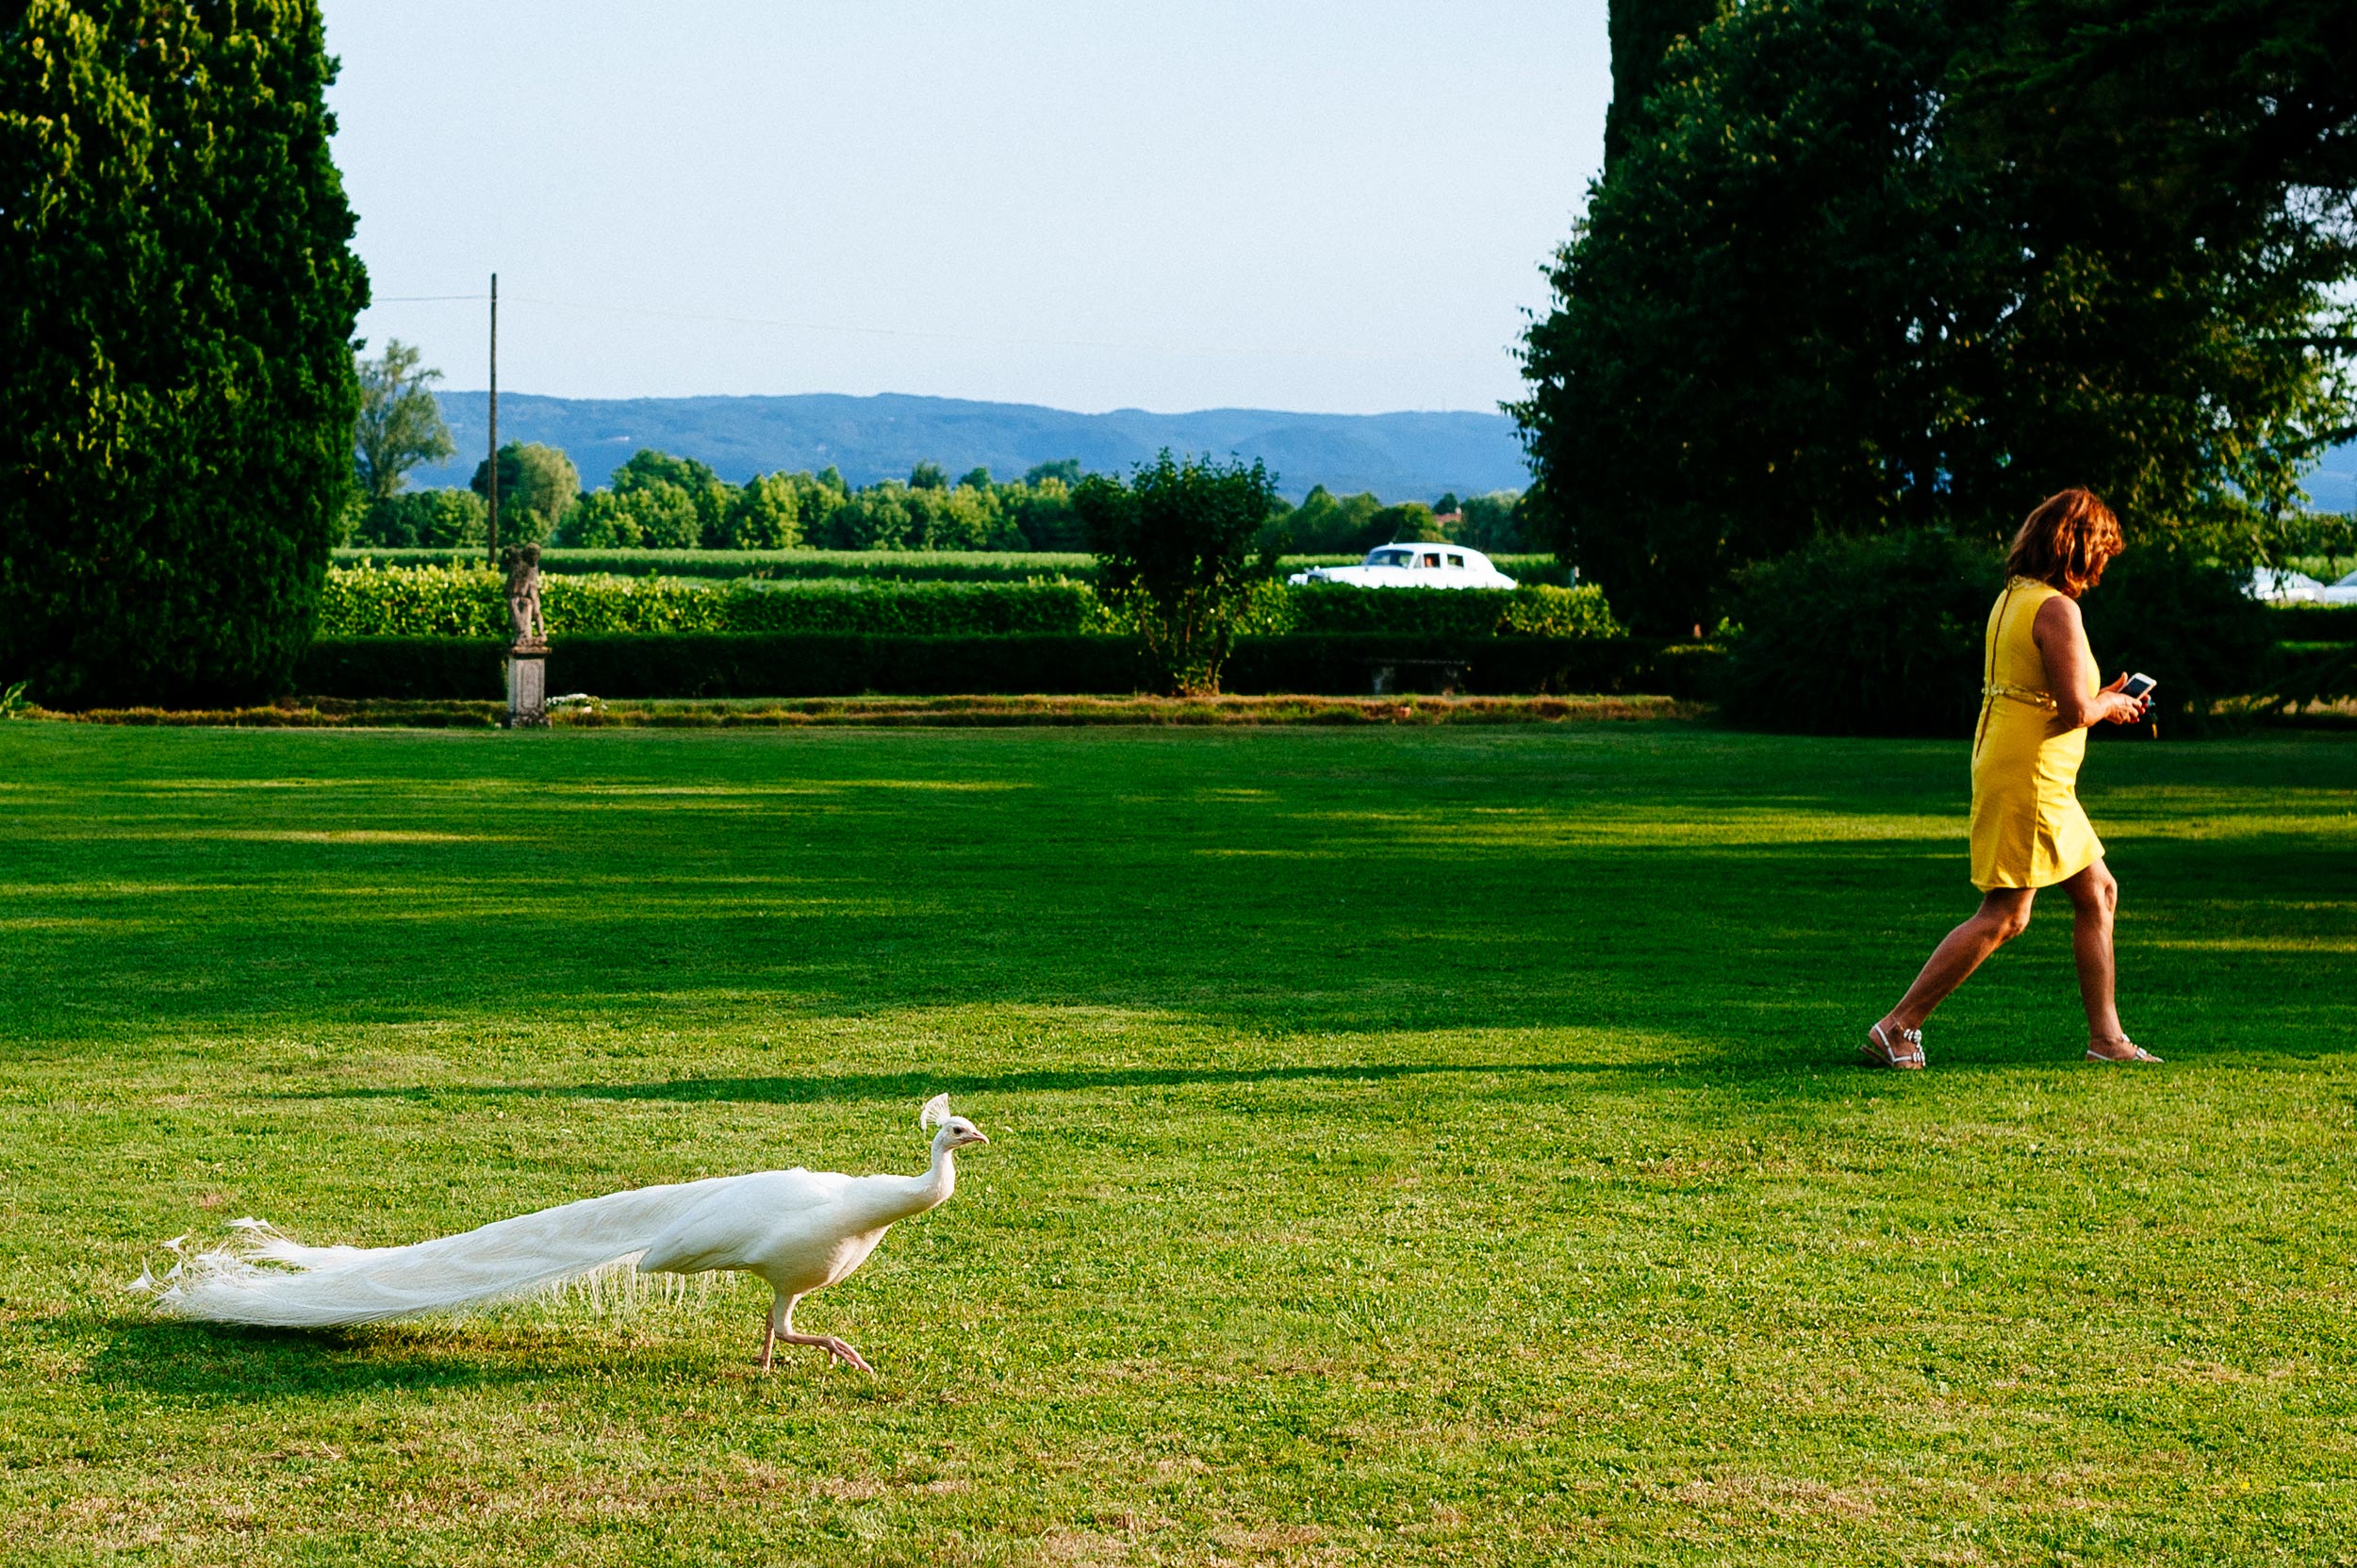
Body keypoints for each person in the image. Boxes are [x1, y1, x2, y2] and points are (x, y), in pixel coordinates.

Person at [1865, 488, 2158, 1069]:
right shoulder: (2057, 609)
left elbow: (2045, 692)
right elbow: (2074, 710)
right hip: (2034, 774)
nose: (2103, 568)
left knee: (2098, 892)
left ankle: (2107, 1039)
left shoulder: (2013, 599)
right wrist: (2109, 704)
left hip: (2024, 764)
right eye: (2102, 553)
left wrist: (2099, 698)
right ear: (2079, 548)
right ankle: (1897, 1026)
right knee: (2006, 914)